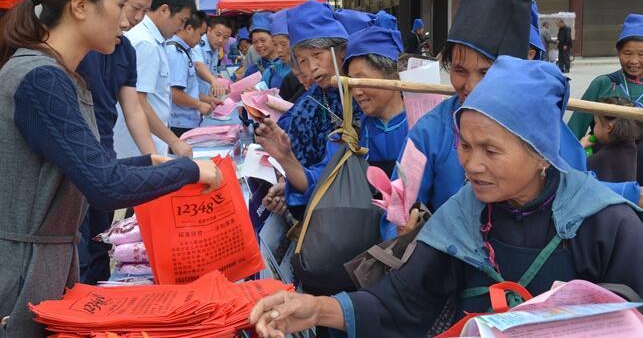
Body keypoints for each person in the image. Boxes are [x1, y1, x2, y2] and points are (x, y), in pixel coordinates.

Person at [249, 57, 643, 338]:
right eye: (465, 146)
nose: (472, 165)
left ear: (540, 152)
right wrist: (316, 308)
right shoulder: (464, 214)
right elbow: (401, 300)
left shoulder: (605, 224)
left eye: (490, 151)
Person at [0, 0, 221, 335]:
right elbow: (104, 186)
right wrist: (187, 170)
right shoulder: (42, 79)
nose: (126, 20)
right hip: (22, 273)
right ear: (80, 6)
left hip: (41, 264)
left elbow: (84, 169)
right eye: (120, 5)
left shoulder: (58, 74)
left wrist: (149, 163)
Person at [387, 0, 640, 224]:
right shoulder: (428, 132)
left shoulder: (543, 126)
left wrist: (633, 193)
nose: (471, 86)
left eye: (486, 73)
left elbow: (578, 187)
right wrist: (403, 228)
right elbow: (397, 205)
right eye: (459, 70)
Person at [257, 14, 408, 238]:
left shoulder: (423, 129)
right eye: (350, 82)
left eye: (360, 80)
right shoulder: (352, 131)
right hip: (363, 244)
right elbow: (321, 180)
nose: (355, 91)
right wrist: (287, 158)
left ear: (394, 76)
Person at [75, 0, 157, 285]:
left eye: (140, 11)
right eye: (128, 7)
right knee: (78, 249)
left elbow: (133, 107)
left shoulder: (126, 50)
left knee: (100, 242)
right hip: (78, 160)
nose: (132, 18)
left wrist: (153, 160)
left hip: (104, 155)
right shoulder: (80, 48)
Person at [113, 0, 195, 158]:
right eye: (181, 21)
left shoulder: (153, 41)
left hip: (149, 142)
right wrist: (174, 141)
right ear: (164, 10)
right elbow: (138, 102)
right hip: (139, 148)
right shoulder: (146, 43)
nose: (181, 28)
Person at [567, 14, 643, 184]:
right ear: (618, 52)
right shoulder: (603, 84)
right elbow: (573, 131)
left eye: (641, 54)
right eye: (627, 53)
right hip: (603, 174)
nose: (634, 61)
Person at [168, 10, 214, 139]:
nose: (200, 40)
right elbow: (174, 93)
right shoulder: (176, 53)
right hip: (179, 124)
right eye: (200, 34)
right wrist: (199, 105)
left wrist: (207, 100)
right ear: (189, 29)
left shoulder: (185, 51)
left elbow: (187, 90)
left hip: (186, 121)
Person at [580, 97, 639, 183]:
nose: (595, 126)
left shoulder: (602, 159)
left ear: (609, 127)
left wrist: (580, 147)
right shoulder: (630, 147)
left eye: (596, 123)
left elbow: (572, 172)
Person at [192, 16, 233, 99]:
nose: (221, 40)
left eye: (225, 37)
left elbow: (210, 73)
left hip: (205, 99)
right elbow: (198, 65)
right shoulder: (197, 45)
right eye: (218, 35)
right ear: (209, 30)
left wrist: (218, 81)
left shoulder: (215, 49)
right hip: (192, 101)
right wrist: (213, 81)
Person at [261, 9, 293, 89]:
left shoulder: (307, 72)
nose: (279, 50)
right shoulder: (272, 71)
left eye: (283, 44)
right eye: (275, 44)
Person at [244, 11, 281, 78]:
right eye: (255, 42)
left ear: (274, 38)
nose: (259, 45)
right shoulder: (252, 71)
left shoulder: (289, 66)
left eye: (263, 40)